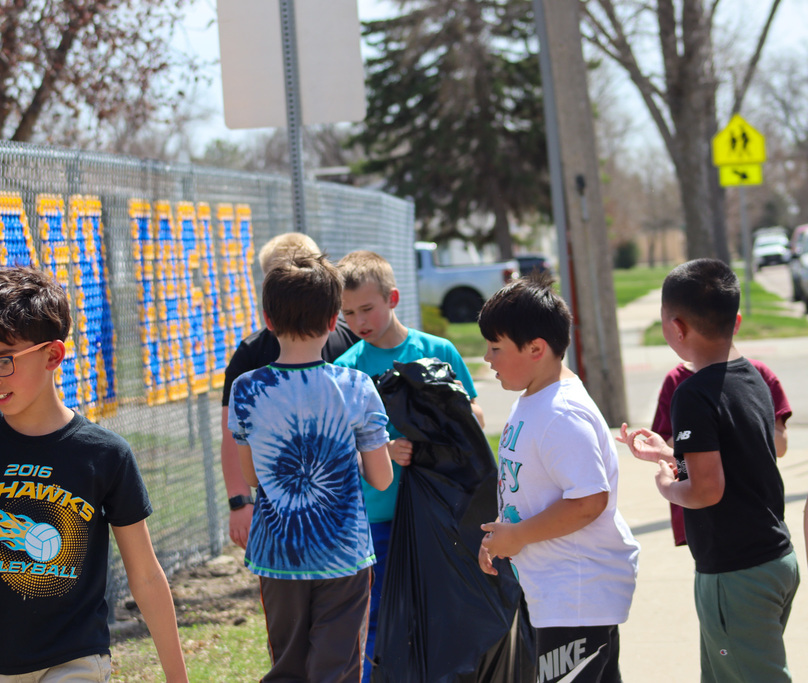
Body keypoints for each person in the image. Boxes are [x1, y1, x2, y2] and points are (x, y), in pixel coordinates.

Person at [0, 268, 187, 682]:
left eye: (4, 361)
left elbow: (145, 575)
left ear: (53, 355)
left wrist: (177, 678)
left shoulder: (106, 455)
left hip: (75, 658)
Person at [619, 258, 798, 683]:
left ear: (676, 328)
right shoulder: (752, 376)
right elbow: (734, 458)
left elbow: (705, 491)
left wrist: (666, 483)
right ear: (734, 321)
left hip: (736, 576)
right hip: (772, 561)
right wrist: (669, 455)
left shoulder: (691, 393)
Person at [228, 253, 393, 682]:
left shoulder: (247, 388)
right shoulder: (357, 386)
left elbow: (252, 477)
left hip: (277, 554)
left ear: (267, 318)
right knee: (336, 668)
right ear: (334, 318)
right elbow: (381, 477)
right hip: (344, 555)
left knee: (287, 668)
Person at [477, 273, 639, 683]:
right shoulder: (533, 399)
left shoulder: (562, 413)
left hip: (578, 593)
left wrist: (519, 536)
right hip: (557, 592)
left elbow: (589, 501)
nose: (487, 358)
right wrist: (505, 537)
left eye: (496, 348)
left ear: (536, 349)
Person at [332, 249, 484, 682]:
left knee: (441, 613)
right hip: (379, 516)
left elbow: (474, 417)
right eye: (348, 313)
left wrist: (432, 431)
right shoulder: (347, 368)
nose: (359, 321)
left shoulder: (436, 350)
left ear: (392, 298)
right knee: (377, 618)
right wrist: (380, 448)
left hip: (439, 513)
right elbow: (343, 448)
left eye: (367, 308)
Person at [220, 232, 359, 550]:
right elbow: (232, 433)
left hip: (344, 507)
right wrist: (240, 501)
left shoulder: (348, 341)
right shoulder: (250, 354)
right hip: (280, 512)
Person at [651, 357, 791, 546]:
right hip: (703, 525)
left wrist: (666, 485)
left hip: (754, 518)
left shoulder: (755, 373)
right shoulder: (677, 381)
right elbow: (671, 446)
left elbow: (780, 445)